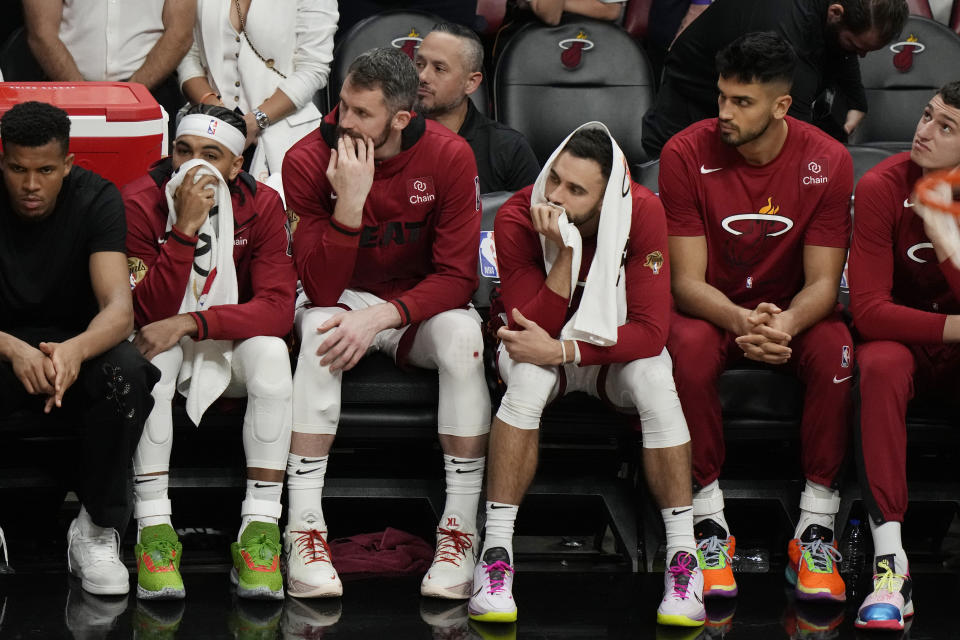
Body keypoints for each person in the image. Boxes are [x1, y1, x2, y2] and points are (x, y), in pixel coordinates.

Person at [467, 124, 703, 627]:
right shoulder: (516, 214)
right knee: (528, 381)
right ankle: (496, 556)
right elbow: (535, 325)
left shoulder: (643, 211)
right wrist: (567, 254)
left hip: (602, 352)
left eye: (576, 190)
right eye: (555, 179)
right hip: (537, 347)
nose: (554, 197)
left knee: (657, 381)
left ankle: (685, 561)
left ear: (607, 197)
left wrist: (568, 350)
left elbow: (652, 331)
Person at [283, 47, 491, 599]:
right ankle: (304, 527)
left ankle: (459, 530)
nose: (344, 122)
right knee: (323, 328)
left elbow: (457, 278)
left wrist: (383, 316)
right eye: (342, 106)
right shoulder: (306, 158)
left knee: (467, 337)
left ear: (401, 118)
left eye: (361, 114)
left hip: (412, 303)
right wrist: (349, 206)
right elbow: (320, 289)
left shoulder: (450, 156)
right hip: (342, 298)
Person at [660, 33, 855, 604]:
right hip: (716, 310)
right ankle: (708, 525)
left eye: (741, 102)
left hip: (793, 312)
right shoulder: (684, 154)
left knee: (838, 352)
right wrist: (746, 322)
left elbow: (824, 282)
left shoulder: (829, 159)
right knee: (686, 350)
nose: (724, 113)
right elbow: (685, 283)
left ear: (781, 106)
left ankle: (816, 527)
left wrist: (786, 324)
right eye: (721, 97)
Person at [122, 103, 297, 600]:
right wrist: (184, 230)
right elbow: (143, 312)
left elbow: (279, 309)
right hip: (162, 339)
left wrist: (194, 321)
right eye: (183, 150)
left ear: (236, 167)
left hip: (225, 337)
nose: (193, 165)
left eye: (211, 154)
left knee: (271, 354)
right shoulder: (138, 201)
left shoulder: (262, 204)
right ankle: (154, 529)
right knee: (151, 357)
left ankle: (259, 531)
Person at [0, 101, 159, 596]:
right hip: (2, 346)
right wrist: (12, 349)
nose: (31, 185)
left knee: (126, 371)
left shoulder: (96, 198)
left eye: (45, 170)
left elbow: (118, 308)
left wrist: (72, 351)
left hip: (73, 345)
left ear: (67, 166)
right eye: (17, 169)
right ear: (1, 161)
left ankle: (94, 529)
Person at [847, 81, 960, 630]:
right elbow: (868, 311)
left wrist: (945, 238)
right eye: (927, 116)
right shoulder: (880, 187)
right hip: (906, 346)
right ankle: (891, 565)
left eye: (947, 128)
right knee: (879, 362)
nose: (923, 132)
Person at [641, 0, 909, 157]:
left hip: (748, 113)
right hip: (691, 109)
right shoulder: (788, 32)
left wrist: (856, 99)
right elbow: (795, 130)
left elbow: (844, 48)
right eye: (855, 46)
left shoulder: (838, 16)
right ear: (836, 13)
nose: (860, 57)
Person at [178, 0, 338, 190]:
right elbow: (186, 54)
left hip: (282, 128)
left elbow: (313, 68)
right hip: (210, 125)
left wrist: (254, 122)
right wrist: (216, 113)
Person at [23, 0, 195, 142]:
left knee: (148, 179)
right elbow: (41, 33)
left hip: (152, 92)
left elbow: (180, 33)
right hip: (64, 92)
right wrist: (82, 95)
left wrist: (132, 94)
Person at [415, 23, 540, 193]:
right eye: (420, 64)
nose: (422, 76)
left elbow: (527, 217)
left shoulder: (509, 149)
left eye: (439, 69)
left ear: (471, 83)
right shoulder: (392, 137)